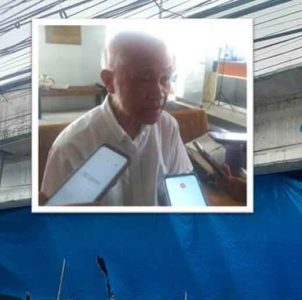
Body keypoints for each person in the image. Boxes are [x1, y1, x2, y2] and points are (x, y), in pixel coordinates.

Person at [40, 31, 243, 206]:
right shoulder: (71, 147)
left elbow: (182, 193)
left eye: (165, 78)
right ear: (109, 82)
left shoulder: (167, 127)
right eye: (144, 79)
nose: (158, 93)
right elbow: (58, 231)